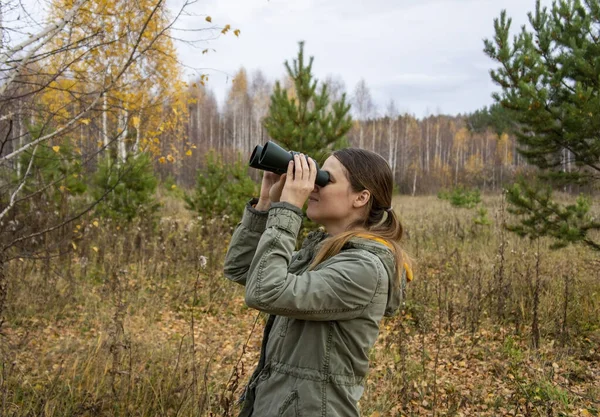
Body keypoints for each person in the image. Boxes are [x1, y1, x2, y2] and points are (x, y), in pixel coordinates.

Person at [224, 148, 412, 417]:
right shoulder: (323, 253)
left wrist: (288, 209)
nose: (312, 186)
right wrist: (266, 201)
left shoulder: (364, 269)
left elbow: (265, 292)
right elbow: (242, 269)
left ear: (361, 197)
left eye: (324, 179)